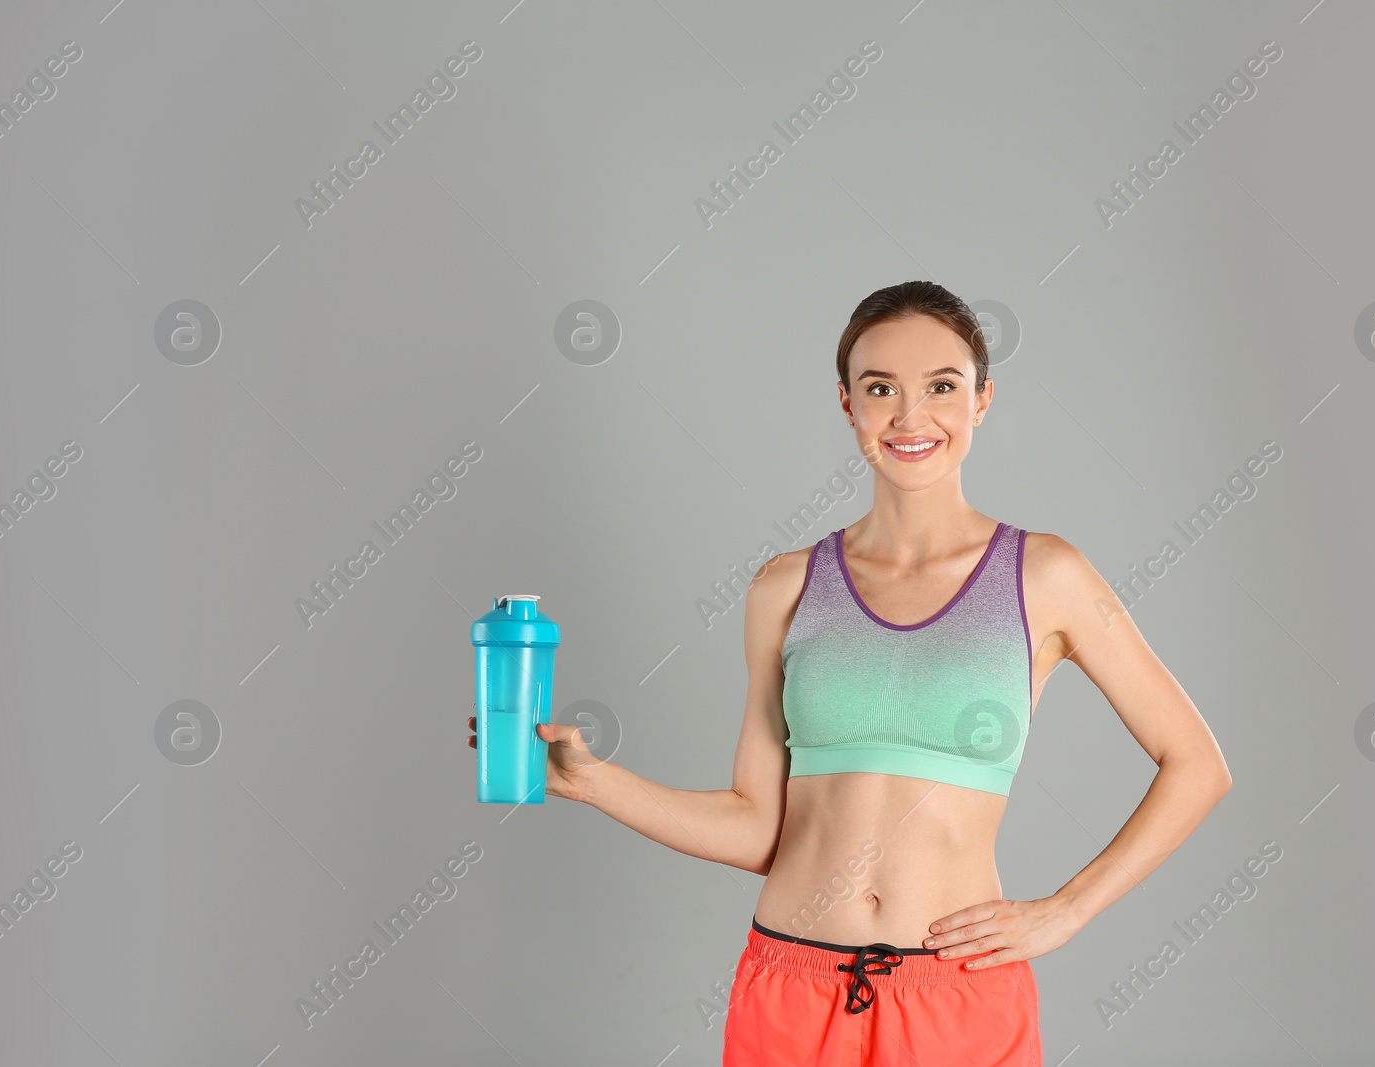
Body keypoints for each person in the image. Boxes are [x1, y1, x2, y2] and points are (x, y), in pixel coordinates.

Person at [466, 280, 1232, 1066]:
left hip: (958, 996)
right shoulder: (785, 587)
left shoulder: (1046, 575)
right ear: (847, 405)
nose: (909, 416)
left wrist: (1067, 910)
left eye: (942, 385)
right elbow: (759, 826)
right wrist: (593, 781)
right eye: (879, 389)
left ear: (982, 399)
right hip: (791, 991)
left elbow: (1198, 764)